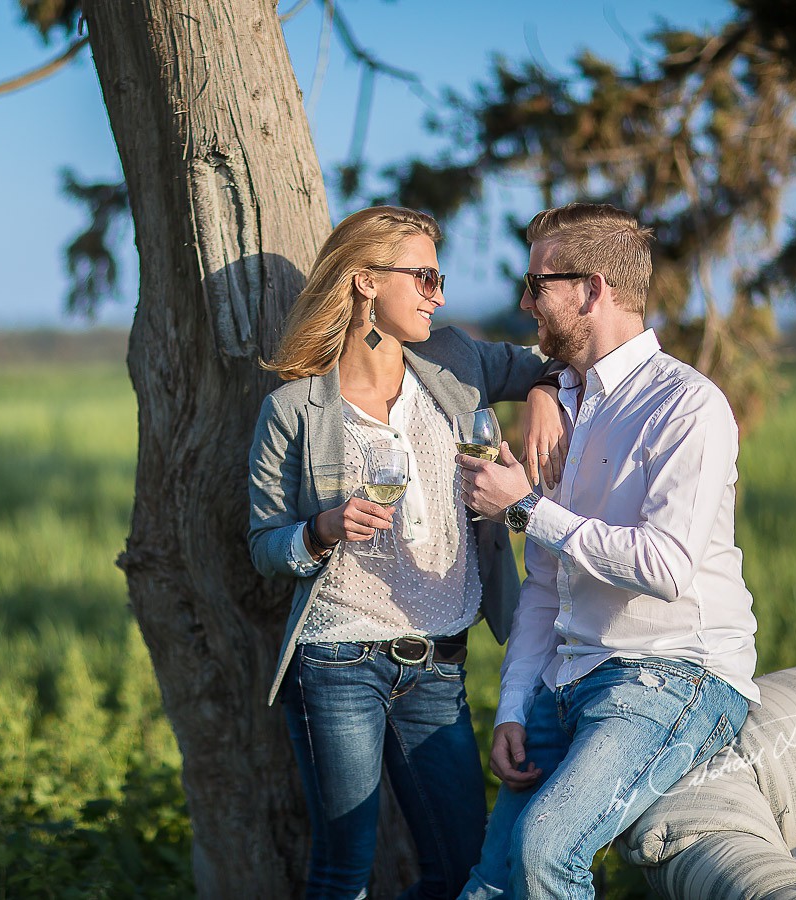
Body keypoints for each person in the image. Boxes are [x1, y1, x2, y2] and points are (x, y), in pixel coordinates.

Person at [247, 206, 568, 900]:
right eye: (423, 277)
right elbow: (264, 543)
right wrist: (321, 529)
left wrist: (540, 394)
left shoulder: (455, 358)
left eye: (439, 278)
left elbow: (562, 357)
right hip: (337, 659)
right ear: (364, 281)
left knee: (460, 869)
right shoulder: (295, 409)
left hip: (440, 665)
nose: (439, 294)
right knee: (343, 872)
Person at [455, 202, 760, 900]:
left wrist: (527, 508)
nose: (526, 301)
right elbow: (544, 586)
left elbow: (664, 566)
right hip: (566, 681)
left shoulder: (687, 405)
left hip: (676, 674)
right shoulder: (562, 408)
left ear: (592, 289)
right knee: (490, 886)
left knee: (546, 851)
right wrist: (513, 704)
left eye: (538, 284)